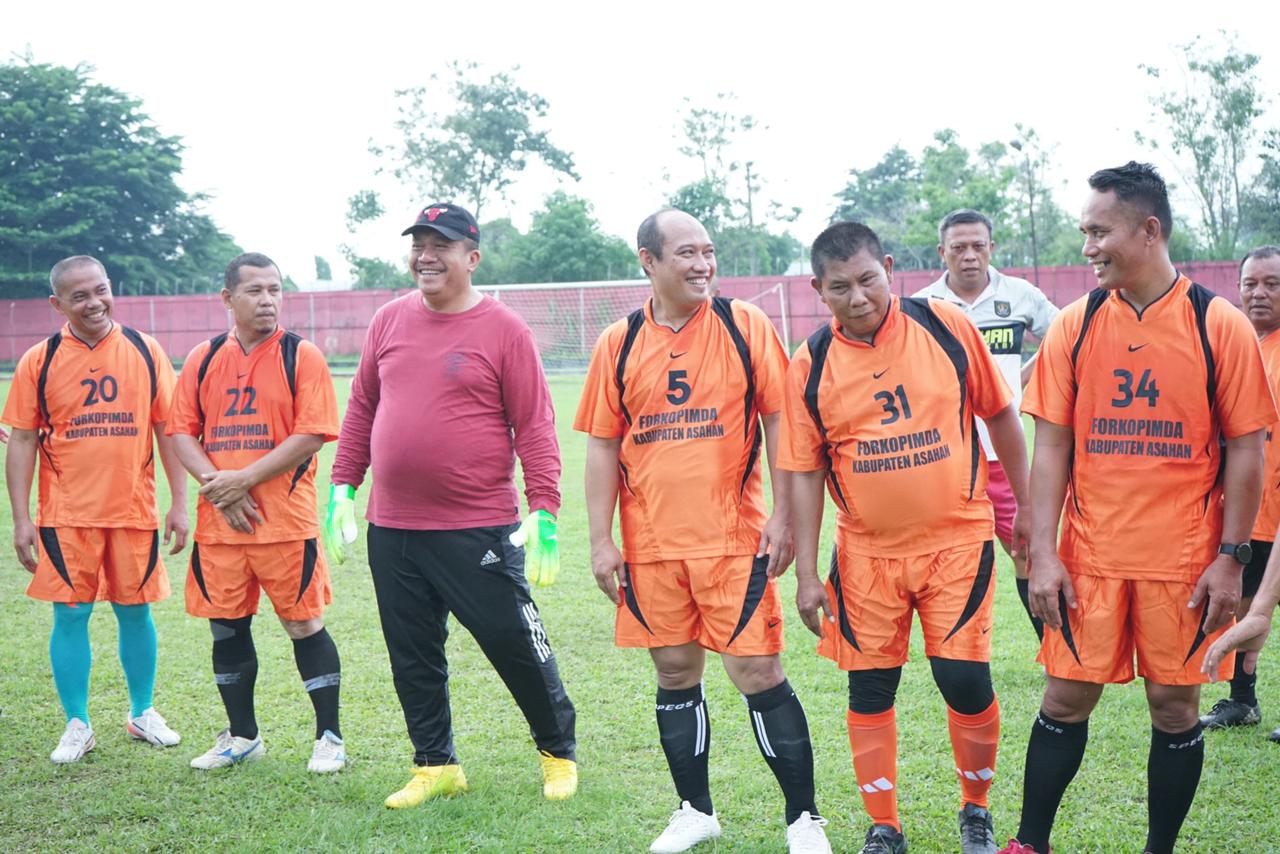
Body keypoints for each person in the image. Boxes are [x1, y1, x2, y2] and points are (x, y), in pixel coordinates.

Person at [999, 163, 1275, 854]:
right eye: (1084, 232)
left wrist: (1231, 558)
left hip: (1184, 561)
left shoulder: (1219, 324)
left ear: (1149, 231)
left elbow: (1247, 452)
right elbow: (1051, 446)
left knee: (1174, 707)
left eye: (1100, 232)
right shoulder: (1076, 324)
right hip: (1090, 557)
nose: (1087, 247)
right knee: (1064, 698)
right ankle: (1029, 844)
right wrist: (1045, 555)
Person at [577, 208, 830, 854]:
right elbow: (602, 445)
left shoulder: (743, 324)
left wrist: (782, 514)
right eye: (687, 253)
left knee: (758, 670)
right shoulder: (618, 342)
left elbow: (781, 420)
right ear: (649, 261)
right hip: (651, 546)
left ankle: (803, 819)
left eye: (708, 252)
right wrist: (601, 540)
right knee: (673, 670)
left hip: (735, 541)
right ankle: (695, 811)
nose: (703, 265)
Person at [782, 221, 1029, 854]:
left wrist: (1025, 506)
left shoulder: (945, 327)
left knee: (963, 680)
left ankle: (976, 810)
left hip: (957, 542)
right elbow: (805, 472)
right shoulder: (810, 362)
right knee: (870, 688)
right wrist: (807, 574)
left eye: (868, 279)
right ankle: (884, 825)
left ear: (889, 268)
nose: (858, 297)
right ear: (818, 289)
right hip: (864, 555)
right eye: (840, 287)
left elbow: (1000, 414)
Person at [326, 203, 577, 808]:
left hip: (477, 525)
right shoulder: (388, 321)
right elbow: (362, 408)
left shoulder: (505, 329)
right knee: (412, 652)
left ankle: (557, 753)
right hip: (394, 527)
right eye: (419, 244)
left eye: (441, 245)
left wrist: (543, 508)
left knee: (514, 643)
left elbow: (535, 425)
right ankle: (435, 763)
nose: (426, 256)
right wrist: (342, 488)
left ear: (472, 257)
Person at [2, 255, 187, 763]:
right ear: (57, 303)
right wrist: (21, 518)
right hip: (65, 515)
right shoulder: (38, 360)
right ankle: (77, 723)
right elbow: (21, 441)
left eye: (100, 290)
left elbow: (168, 430)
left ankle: (142, 712)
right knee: (70, 614)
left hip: (133, 510)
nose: (94, 303)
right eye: (79, 296)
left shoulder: (145, 349)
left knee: (136, 611)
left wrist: (179, 503)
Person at [167, 252, 344, 773]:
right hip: (221, 528)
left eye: (274, 290)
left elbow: (312, 434)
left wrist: (243, 479)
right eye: (255, 291)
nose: (268, 300)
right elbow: (181, 432)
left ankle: (329, 738)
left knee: (303, 624)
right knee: (226, 629)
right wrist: (219, 486)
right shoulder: (202, 358)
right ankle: (243, 736)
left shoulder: (300, 355)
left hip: (284, 524)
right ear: (228, 298)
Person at [913, 209, 1057, 639]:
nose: (970, 256)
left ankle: (1053, 648)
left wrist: (1023, 379)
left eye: (978, 246)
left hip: (1004, 457)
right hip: (947, 460)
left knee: (1027, 551)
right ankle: (958, 649)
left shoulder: (1020, 295)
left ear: (991, 248)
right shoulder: (923, 306)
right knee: (950, 559)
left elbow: (1064, 335)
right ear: (942, 252)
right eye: (959, 248)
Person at [1200, 244, 1280, 742]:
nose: (1259, 293)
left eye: (1272, 283)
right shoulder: (1236, 346)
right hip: (1248, 512)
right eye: (1251, 284)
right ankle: (1242, 700)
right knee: (1245, 605)